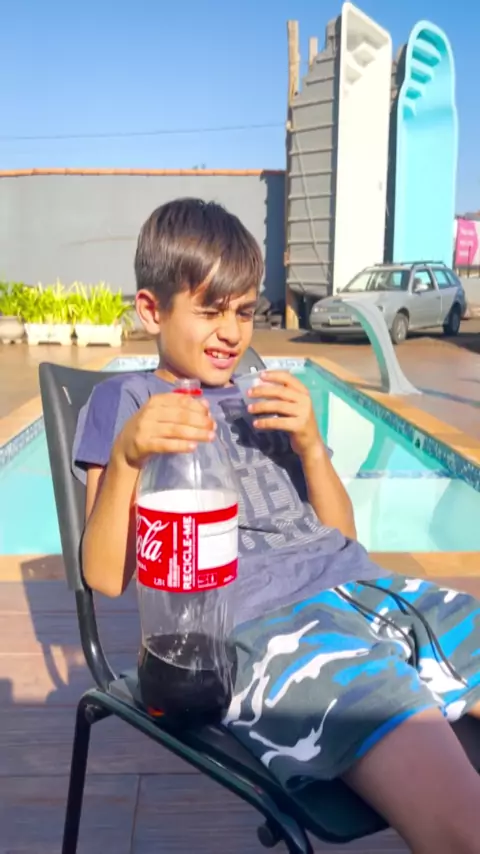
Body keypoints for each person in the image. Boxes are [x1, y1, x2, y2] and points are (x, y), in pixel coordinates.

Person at [73, 197, 480, 853]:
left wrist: (312, 445)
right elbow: (104, 576)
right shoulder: (127, 402)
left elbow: (343, 539)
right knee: (463, 825)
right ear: (152, 310)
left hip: (369, 591)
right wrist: (125, 457)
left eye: (243, 311)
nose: (231, 332)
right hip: (268, 628)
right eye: (210, 310)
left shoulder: (259, 396)